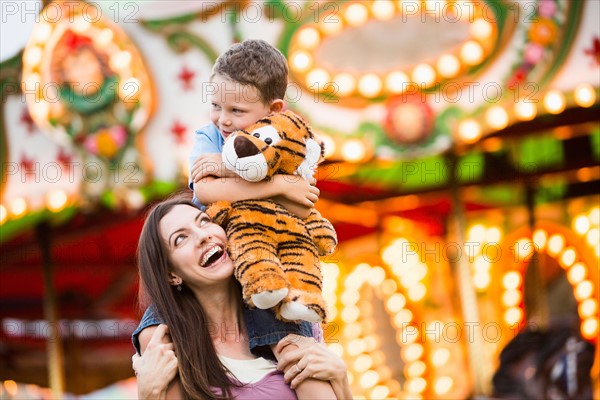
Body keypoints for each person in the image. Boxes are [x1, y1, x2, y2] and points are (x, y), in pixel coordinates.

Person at [132, 39, 337, 398]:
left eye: (236, 110)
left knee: (292, 333)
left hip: (265, 262)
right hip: (239, 248)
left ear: (273, 110)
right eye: (214, 105)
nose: (223, 119)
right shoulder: (210, 136)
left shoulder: (284, 137)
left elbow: (304, 206)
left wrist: (343, 382)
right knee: (159, 329)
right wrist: (279, 185)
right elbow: (207, 193)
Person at [131, 196, 352, 399]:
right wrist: (148, 394)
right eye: (180, 239)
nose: (202, 235)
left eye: (204, 221)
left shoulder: (290, 315)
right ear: (171, 275)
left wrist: (341, 381)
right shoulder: (171, 351)